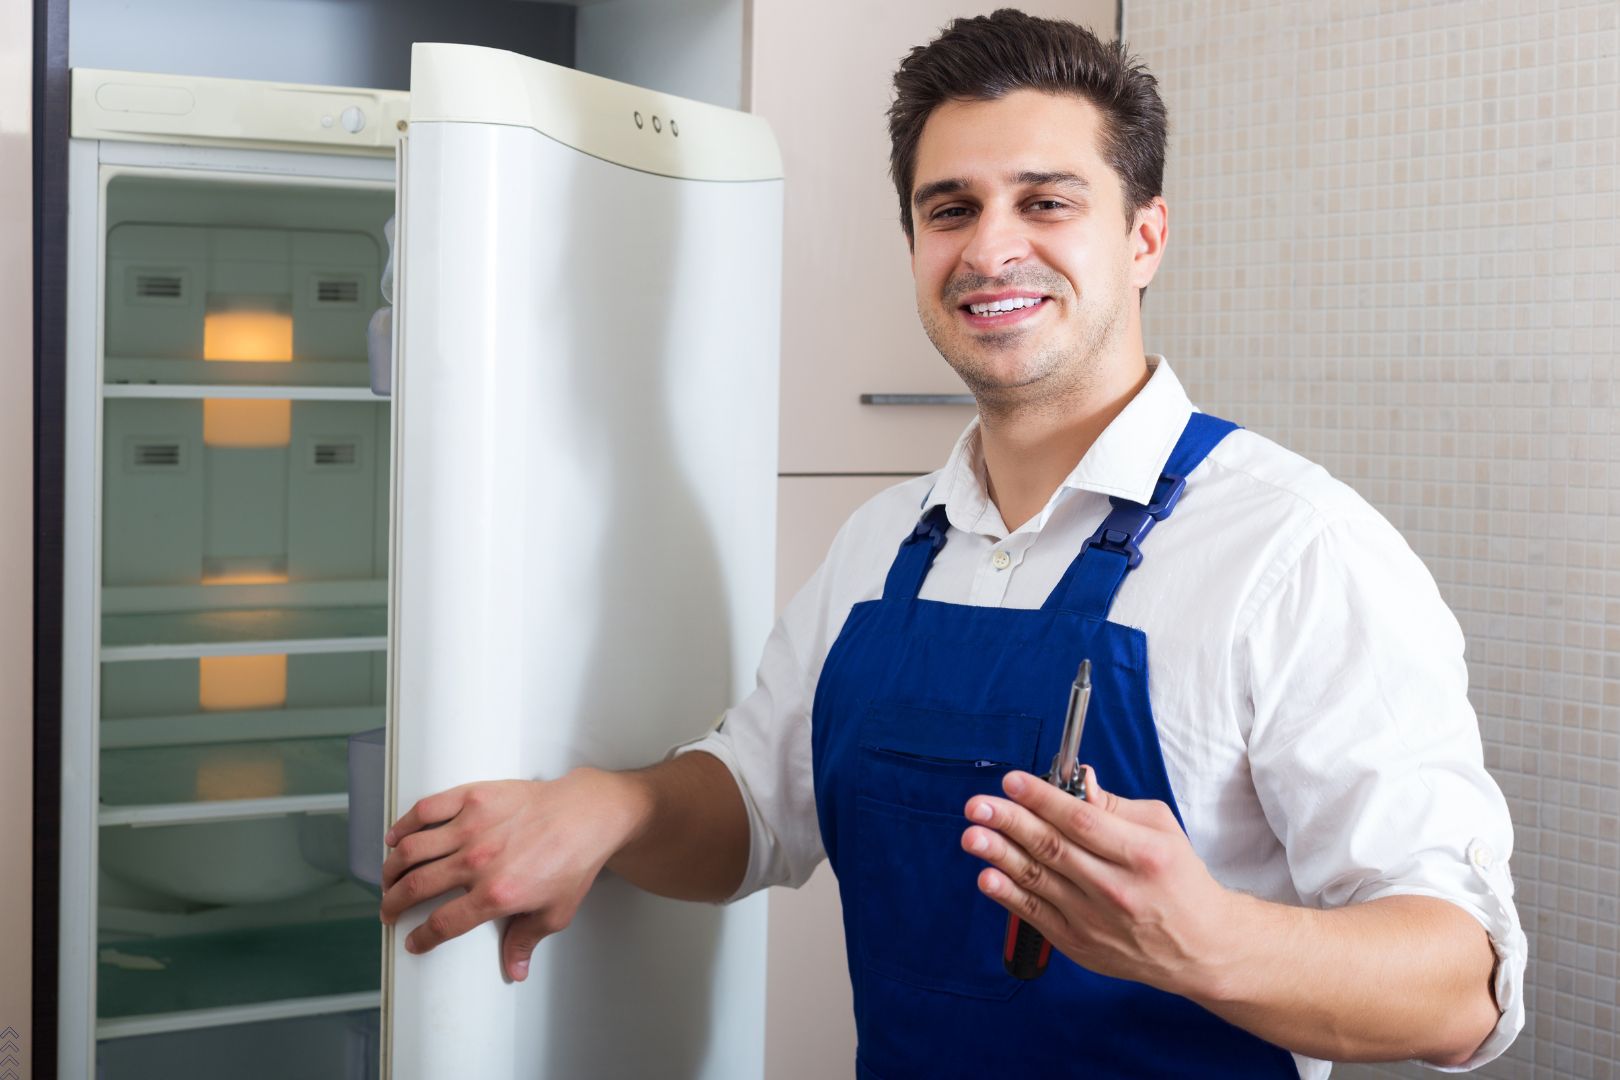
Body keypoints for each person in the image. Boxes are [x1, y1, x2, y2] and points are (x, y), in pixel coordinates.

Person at [379, 10, 1525, 1076]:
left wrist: (1205, 938)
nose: (991, 250)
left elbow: (1464, 983)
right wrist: (612, 809)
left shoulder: (1293, 550)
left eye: (1046, 201)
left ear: (1145, 237)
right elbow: (756, 809)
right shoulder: (885, 543)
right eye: (951, 208)